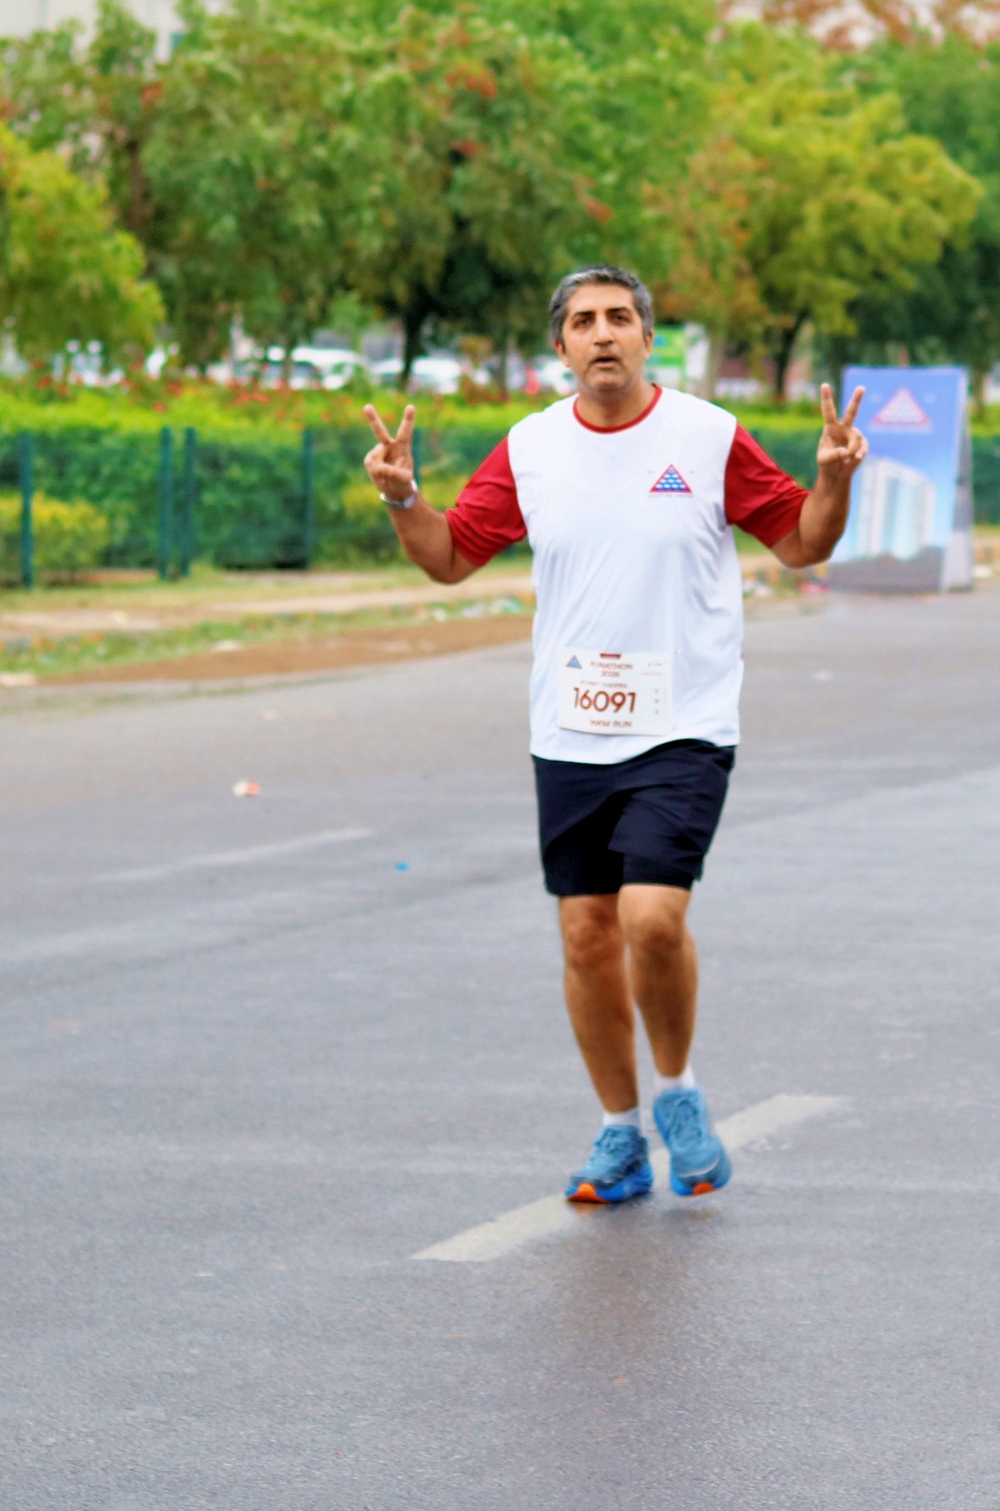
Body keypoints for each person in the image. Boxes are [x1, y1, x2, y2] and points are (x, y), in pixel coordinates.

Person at [359, 265, 868, 1208]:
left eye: (621, 318)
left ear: (646, 339)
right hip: (571, 728)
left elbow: (804, 542)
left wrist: (832, 481)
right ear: (560, 347)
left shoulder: (707, 436)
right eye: (585, 321)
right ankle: (620, 1132)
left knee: (651, 917)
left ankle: (678, 1092)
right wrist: (403, 500)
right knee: (587, 934)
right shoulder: (531, 448)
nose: (604, 333)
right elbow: (451, 558)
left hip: (684, 723)